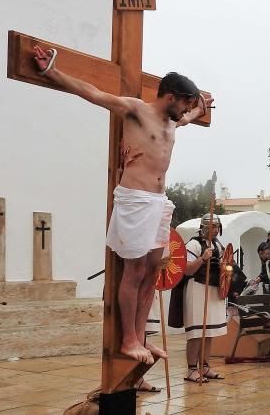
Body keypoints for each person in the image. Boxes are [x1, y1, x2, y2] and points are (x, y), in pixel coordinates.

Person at [32, 46, 211, 368]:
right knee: (135, 270)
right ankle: (129, 338)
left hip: (158, 201)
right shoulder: (136, 110)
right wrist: (51, 71)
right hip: (136, 198)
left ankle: (141, 337)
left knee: (152, 271)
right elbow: (93, 93)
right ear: (171, 96)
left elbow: (187, 118)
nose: (187, 109)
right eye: (186, 101)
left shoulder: (173, 122)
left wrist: (200, 109)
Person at [182, 214, 228, 382]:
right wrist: (203, 259)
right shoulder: (193, 244)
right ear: (204, 228)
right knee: (196, 332)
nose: (215, 230)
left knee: (209, 331)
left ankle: (205, 366)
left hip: (213, 289)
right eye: (212, 227)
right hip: (197, 289)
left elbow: (225, 267)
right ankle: (191, 369)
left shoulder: (218, 245)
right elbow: (187, 270)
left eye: (217, 227)